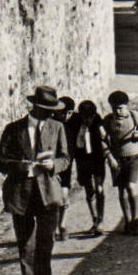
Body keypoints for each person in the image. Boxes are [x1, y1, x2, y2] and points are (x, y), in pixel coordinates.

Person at [0, 85, 70, 275]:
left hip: (48, 193)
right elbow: (0, 162)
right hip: (22, 193)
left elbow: (65, 158)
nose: (50, 113)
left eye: (52, 109)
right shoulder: (13, 129)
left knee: (46, 241)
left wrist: (52, 164)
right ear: (35, 107)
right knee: (26, 243)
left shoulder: (57, 128)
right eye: (46, 108)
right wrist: (24, 167)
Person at [103, 90, 138, 235]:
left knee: (131, 188)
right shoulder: (108, 120)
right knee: (122, 190)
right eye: (114, 108)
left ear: (127, 106)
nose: (118, 111)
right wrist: (109, 157)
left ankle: (136, 219)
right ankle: (127, 221)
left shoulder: (134, 115)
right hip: (117, 160)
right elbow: (102, 141)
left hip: (133, 156)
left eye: (121, 108)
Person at [66, 99, 110, 235]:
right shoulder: (74, 122)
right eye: (85, 118)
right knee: (88, 189)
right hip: (82, 159)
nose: (87, 121)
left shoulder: (98, 121)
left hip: (97, 159)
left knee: (99, 188)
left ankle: (101, 220)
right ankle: (95, 219)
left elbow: (105, 141)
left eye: (89, 118)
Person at [54, 95, 77, 239]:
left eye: (69, 113)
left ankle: (62, 225)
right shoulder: (52, 123)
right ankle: (55, 227)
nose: (65, 116)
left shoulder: (75, 121)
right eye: (63, 113)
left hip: (67, 164)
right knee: (54, 198)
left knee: (64, 195)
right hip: (53, 163)